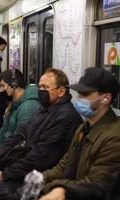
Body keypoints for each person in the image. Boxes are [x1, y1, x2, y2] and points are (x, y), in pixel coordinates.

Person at [0, 68, 83, 200]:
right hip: (25, 165)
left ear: (61, 91)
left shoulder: (65, 117)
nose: (40, 91)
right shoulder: (44, 109)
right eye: (39, 86)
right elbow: (20, 135)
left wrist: (5, 174)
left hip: (39, 174)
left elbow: (41, 157)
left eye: (45, 87)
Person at [40, 67, 120, 200]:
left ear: (105, 98)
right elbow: (66, 164)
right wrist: (41, 178)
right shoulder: (84, 127)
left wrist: (60, 188)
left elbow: (96, 184)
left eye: (86, 94)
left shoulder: (114, 137)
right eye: (79, 93)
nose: (79, 98)